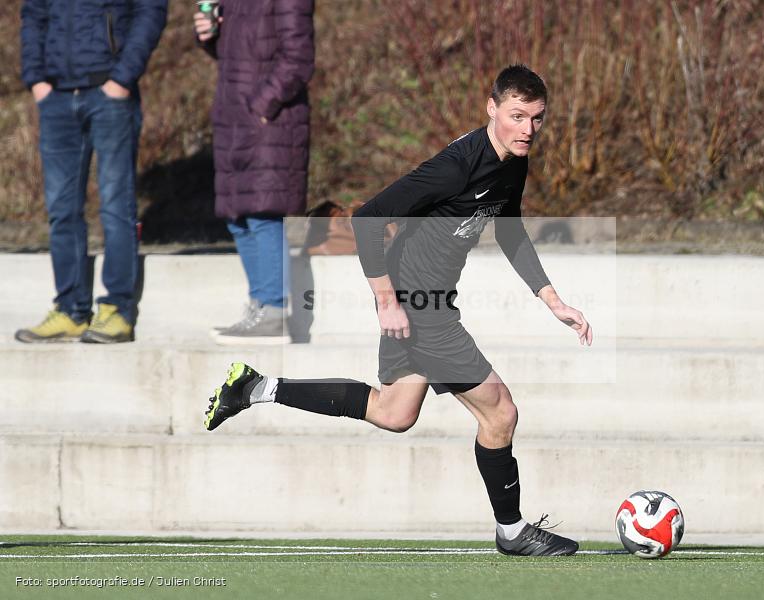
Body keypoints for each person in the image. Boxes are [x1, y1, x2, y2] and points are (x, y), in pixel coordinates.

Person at [204, 65, 593, 556]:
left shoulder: (513, 162)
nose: (528, 129)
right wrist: (387, 302)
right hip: (419, 303)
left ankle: (256, 387)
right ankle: (512, 531)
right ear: (491, 108)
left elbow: (510, 230)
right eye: (517, 116)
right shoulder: (457, 166)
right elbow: (367, 218)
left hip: (425, 300)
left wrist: (552, 299)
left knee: (394, 412)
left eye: (537, 118)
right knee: (501, 412)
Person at [16, 0, 168, 343]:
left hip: (110, 93)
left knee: (115, 205)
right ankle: (70, 309)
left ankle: (117, 309)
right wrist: (36, 78)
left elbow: (151, 11)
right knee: (61, 209)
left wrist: (122, 78)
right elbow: (34, 14)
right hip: (56, 96)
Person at [193, 0, 315, 345]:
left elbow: (299, 58)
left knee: (263, 213)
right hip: (233, 117)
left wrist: (261, 106)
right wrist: (209, 36)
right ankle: (259, 306)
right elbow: (240, 54)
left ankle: (274, 310)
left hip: (270, 121)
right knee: (237, 216)